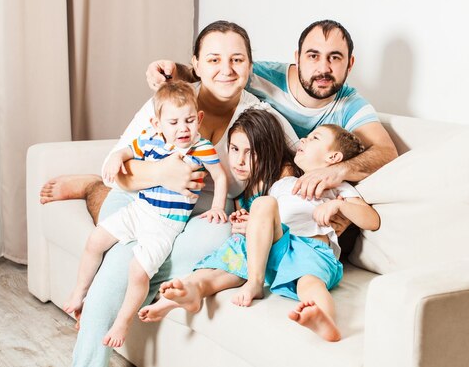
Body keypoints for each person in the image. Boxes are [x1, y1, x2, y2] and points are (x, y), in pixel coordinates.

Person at [63, 21, 299, 367]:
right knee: (119, 266)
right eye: (214, 60)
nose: (226, 70)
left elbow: (302, 155)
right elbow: (115, 171)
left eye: (237, 60)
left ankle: (123, 290)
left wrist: (320, 176)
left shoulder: (259, 116)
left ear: (250, 66)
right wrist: (163, 172)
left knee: (210, 238)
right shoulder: (168, 104)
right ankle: (94, 336)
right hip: (140, 194)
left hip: (200, 213)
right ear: (196, 65)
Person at [138, 110, 380, 343]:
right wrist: (251, 222)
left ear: (333, 158)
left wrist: (339, 206)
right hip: (270, 249)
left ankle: (324, 319)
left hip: (310, 249)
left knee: (310, 283)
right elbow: (267, 215)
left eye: (315, 137)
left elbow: (372, 220)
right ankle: (193, 288)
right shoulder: (283, 184)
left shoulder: (336, 186)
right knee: (258, 213)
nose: (304, 138)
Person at [146, 19, 398, 202]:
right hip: (242, 186)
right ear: (297, 57)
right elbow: (221, 72)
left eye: (335, 57)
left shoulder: (351, 105)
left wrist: (334, 172)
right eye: (313, 56)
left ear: (350, 63)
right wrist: (175, 71)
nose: (323, 68)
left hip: (291, 197)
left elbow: (386, 152)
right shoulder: (262, 76)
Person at [63, 81, 228, 348]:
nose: (182, 129)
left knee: (138, 271)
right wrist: (117, 156)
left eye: (188, 120)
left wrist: (218, 207)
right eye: (173, 122)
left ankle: (123, 321)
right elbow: (128, 150)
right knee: (96, 240)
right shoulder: (151, 140)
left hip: (165, 225)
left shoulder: (201, 148)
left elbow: (220, 177)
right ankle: (80, 291)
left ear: (198, 119)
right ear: (158, 123)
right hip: (138, 209)